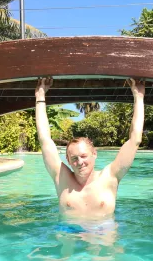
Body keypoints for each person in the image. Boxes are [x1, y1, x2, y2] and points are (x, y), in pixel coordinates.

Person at [35, 77, 145, 219]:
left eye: (84, 156)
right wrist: (40, 96)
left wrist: (139, 97)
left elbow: (135, 139)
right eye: (74, 158)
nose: (80, 162)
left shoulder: (110, 176)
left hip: (102, 234)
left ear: (94, 154)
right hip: (70, 234)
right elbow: (44, 139)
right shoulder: (61, 177)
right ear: (67, 160)